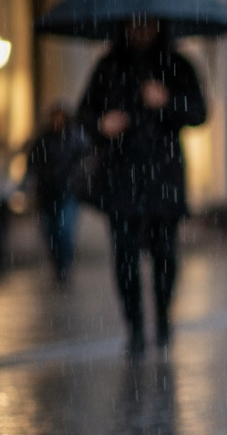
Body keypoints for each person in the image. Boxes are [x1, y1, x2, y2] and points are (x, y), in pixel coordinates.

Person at [78, 18, 207, 355]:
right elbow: (84, 113)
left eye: (149, 25)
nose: (142, 31)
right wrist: (102, 124)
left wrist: (167, 101)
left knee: (165, 255)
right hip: (121, 176)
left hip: (164, 176)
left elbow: (199, 113)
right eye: (136, 25)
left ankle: (162, 317)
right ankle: (134, 326)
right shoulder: (108, 66)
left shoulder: (178, 65)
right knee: (124, 256)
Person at [24, 102, 89, 284]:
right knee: (51, 232)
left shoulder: (75, 139)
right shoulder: (42, 140)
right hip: (46, 194)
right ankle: (58, 265)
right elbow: (31, 163)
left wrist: (78, 181)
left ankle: (65, 264)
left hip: (68, 192)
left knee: (64, 230)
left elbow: (86, 161)